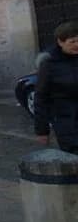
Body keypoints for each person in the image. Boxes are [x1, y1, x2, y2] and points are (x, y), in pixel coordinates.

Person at [34, 20, 78, 153]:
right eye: (72, 41)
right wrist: (42, 131)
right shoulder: (49, 64)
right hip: (68, 125)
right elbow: (40, 98)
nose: (77, 45)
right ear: (60, 42)